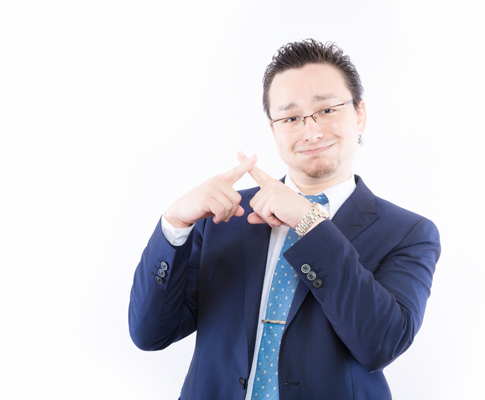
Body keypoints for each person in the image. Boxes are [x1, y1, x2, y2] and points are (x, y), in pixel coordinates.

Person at [129, 39, 441, 400]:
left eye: (327, 110)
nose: (312, 132)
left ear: (359, 114)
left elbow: (381, 344)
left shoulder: (409, 233)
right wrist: (175, 224)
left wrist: (310, 223)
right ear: (274, 130)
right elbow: (150, 334)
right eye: (291, 118)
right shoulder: (225, 216)